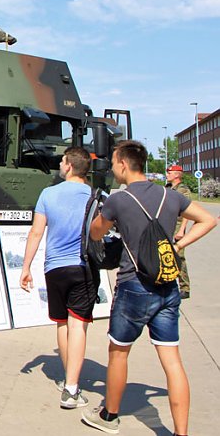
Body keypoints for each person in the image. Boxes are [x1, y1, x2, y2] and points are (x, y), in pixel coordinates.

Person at [83, 140, 215, 436]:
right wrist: (179, 243)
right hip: (167, 286)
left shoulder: (119, 199)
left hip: (134, 285)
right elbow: (208, 220)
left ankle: (109, 415)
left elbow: (96, 233)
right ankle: (181, 432)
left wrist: (100, 220)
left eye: (115, 162)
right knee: (172, 359)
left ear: (123, 164)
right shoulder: (171, 196)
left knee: (118, 352)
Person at [20, 146, 96, 409]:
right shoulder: (96, 195)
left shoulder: (48, 194)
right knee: (78, 325)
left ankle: (68, 379)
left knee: (62, 324)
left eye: (63, 162)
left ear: (71, 166)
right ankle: (72, 388)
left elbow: (36, 233)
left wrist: (26, 267)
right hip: (83, 267)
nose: (60, 166)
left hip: (54, 269)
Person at [165, 165, 192, 299]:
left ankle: (185, 287)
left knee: (179, 256)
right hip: (167, 225)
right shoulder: (168, 188)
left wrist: (181, 230)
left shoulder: (183, 190)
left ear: (176, 175)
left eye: (169, 172)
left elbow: (187, 212)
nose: (167, 174)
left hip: (177, 226)